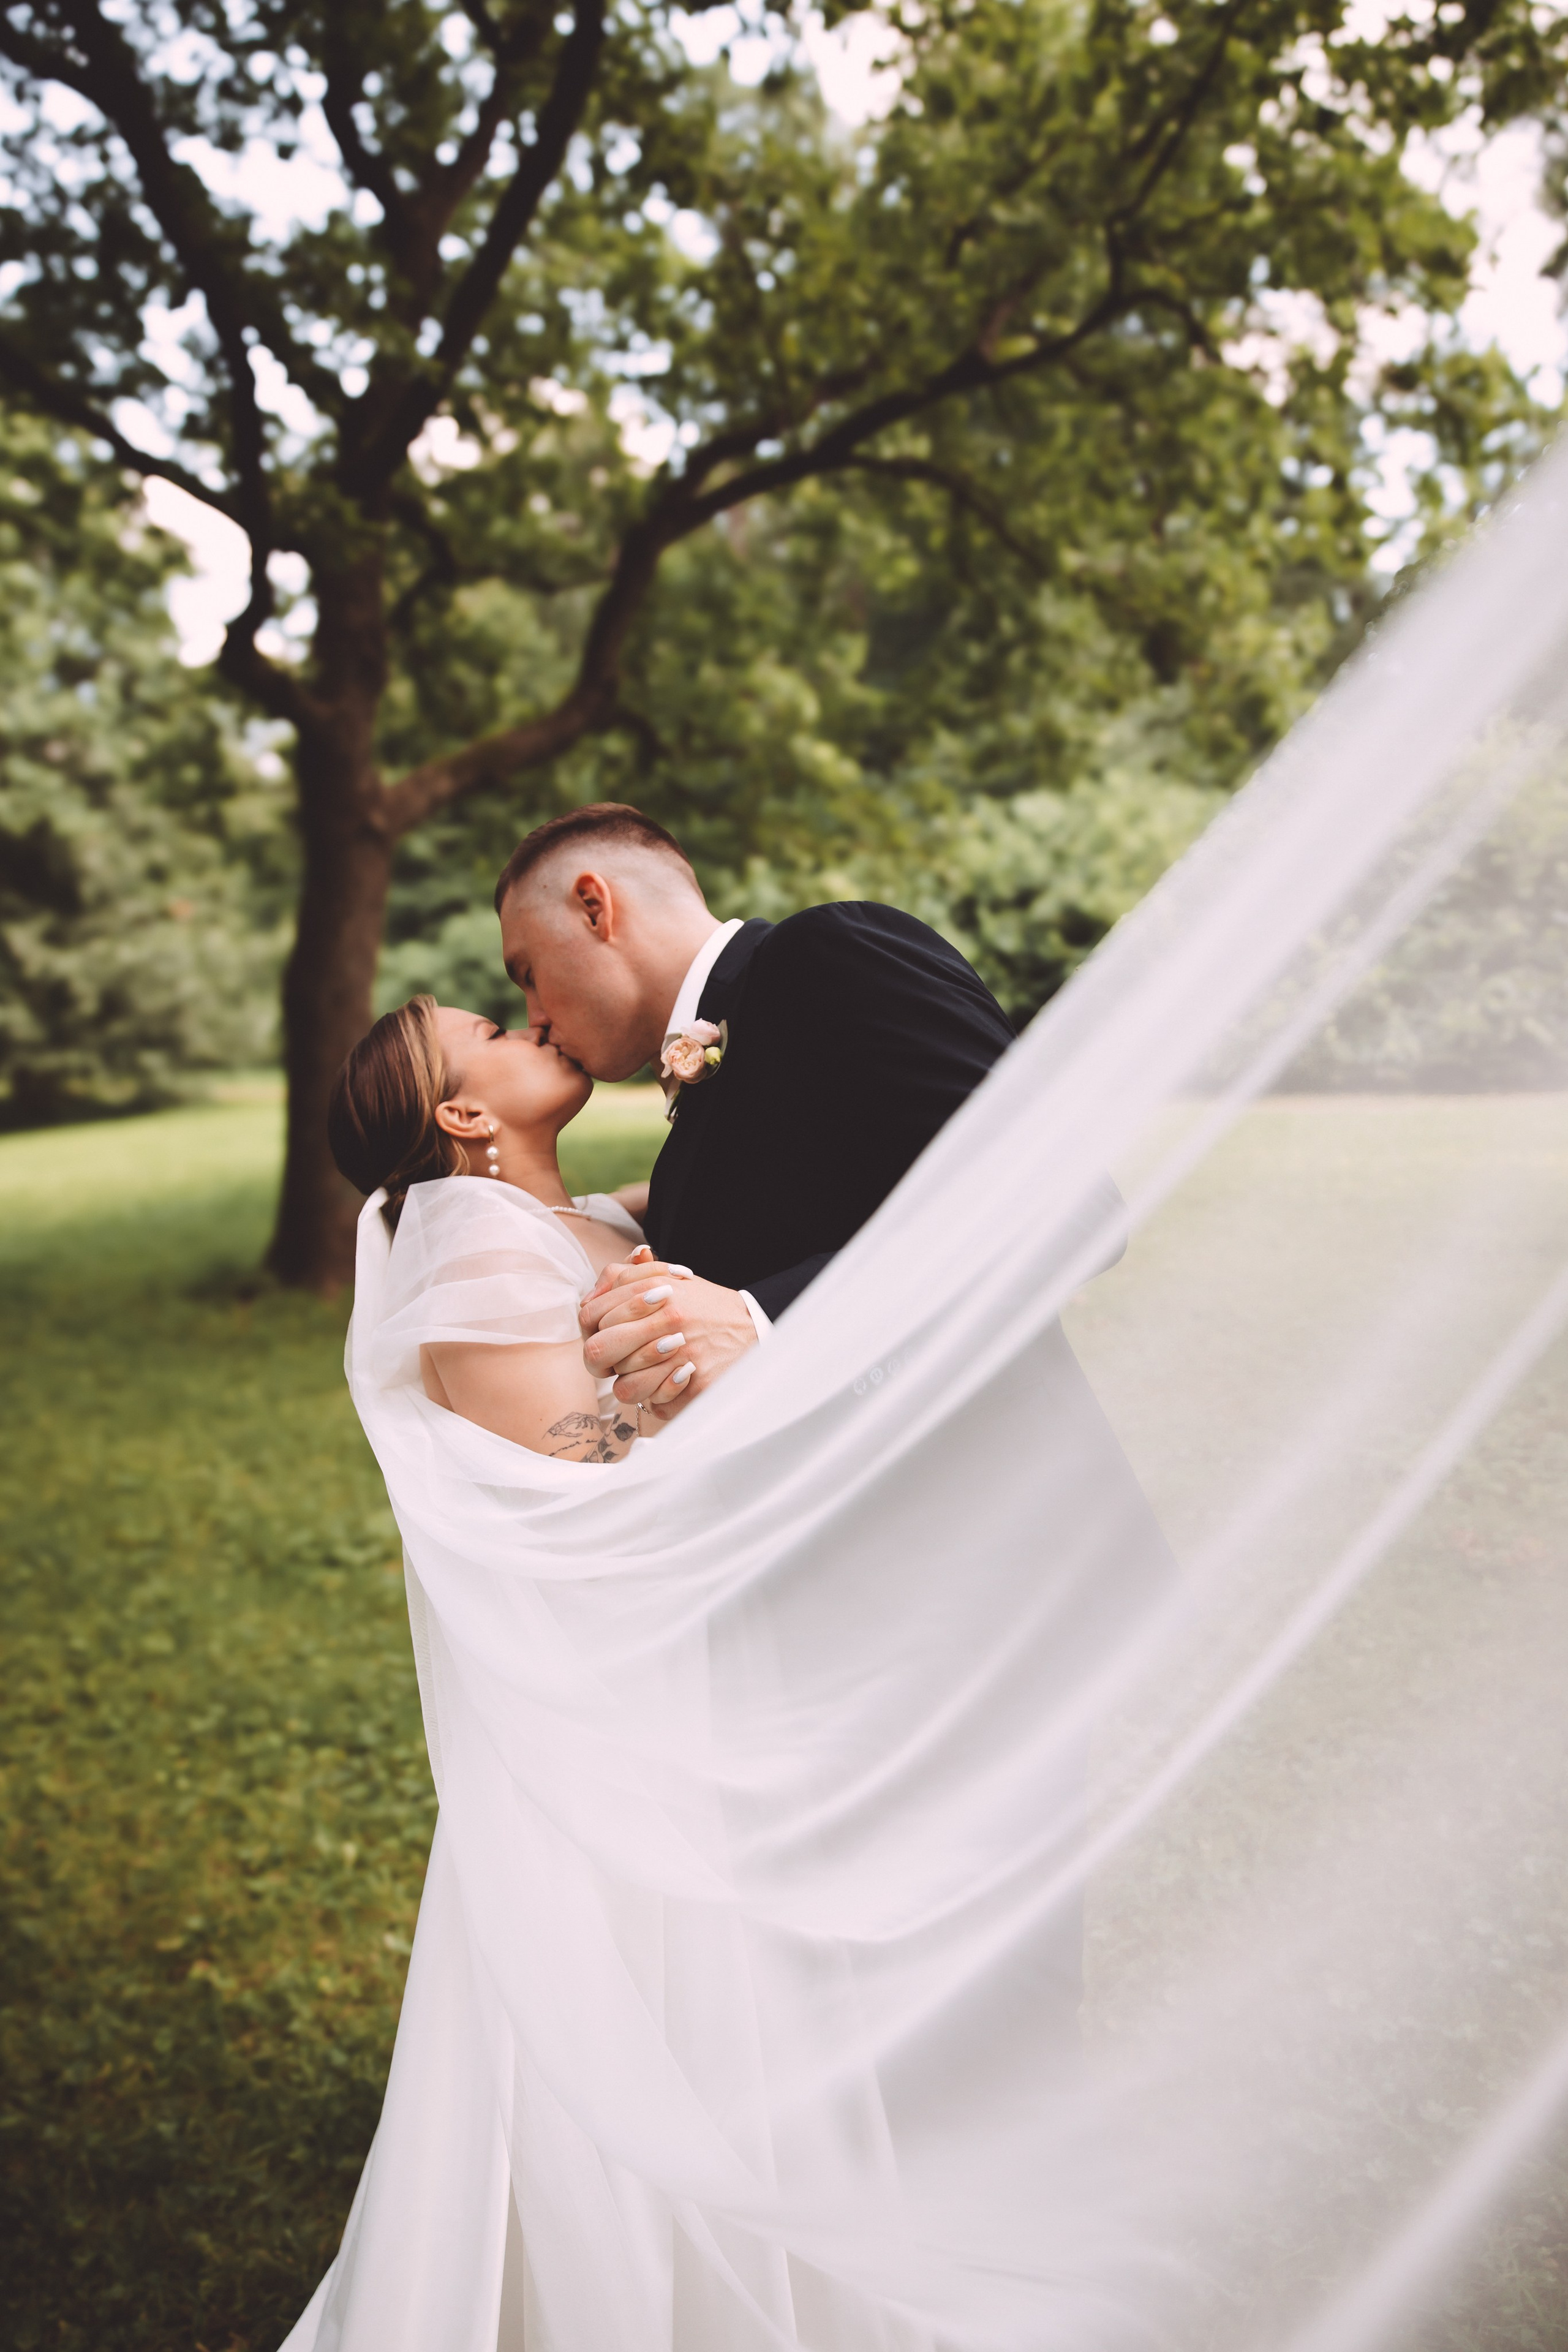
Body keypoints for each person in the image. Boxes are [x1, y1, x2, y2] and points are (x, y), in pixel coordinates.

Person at [491, 802, 1020, 1419]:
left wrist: (763, 1320)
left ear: (593, 907)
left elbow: (1054, 1191)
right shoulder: (680, 1150)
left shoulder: (828, 951)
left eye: (529, 974)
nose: (534, 1018)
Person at [326, 993, 696, 1459]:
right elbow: (568, 1475)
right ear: (466, 1116)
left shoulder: (589, 1216)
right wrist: (671, 1383)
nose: (535, 1029)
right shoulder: (487, 1261)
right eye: (496, 1035)